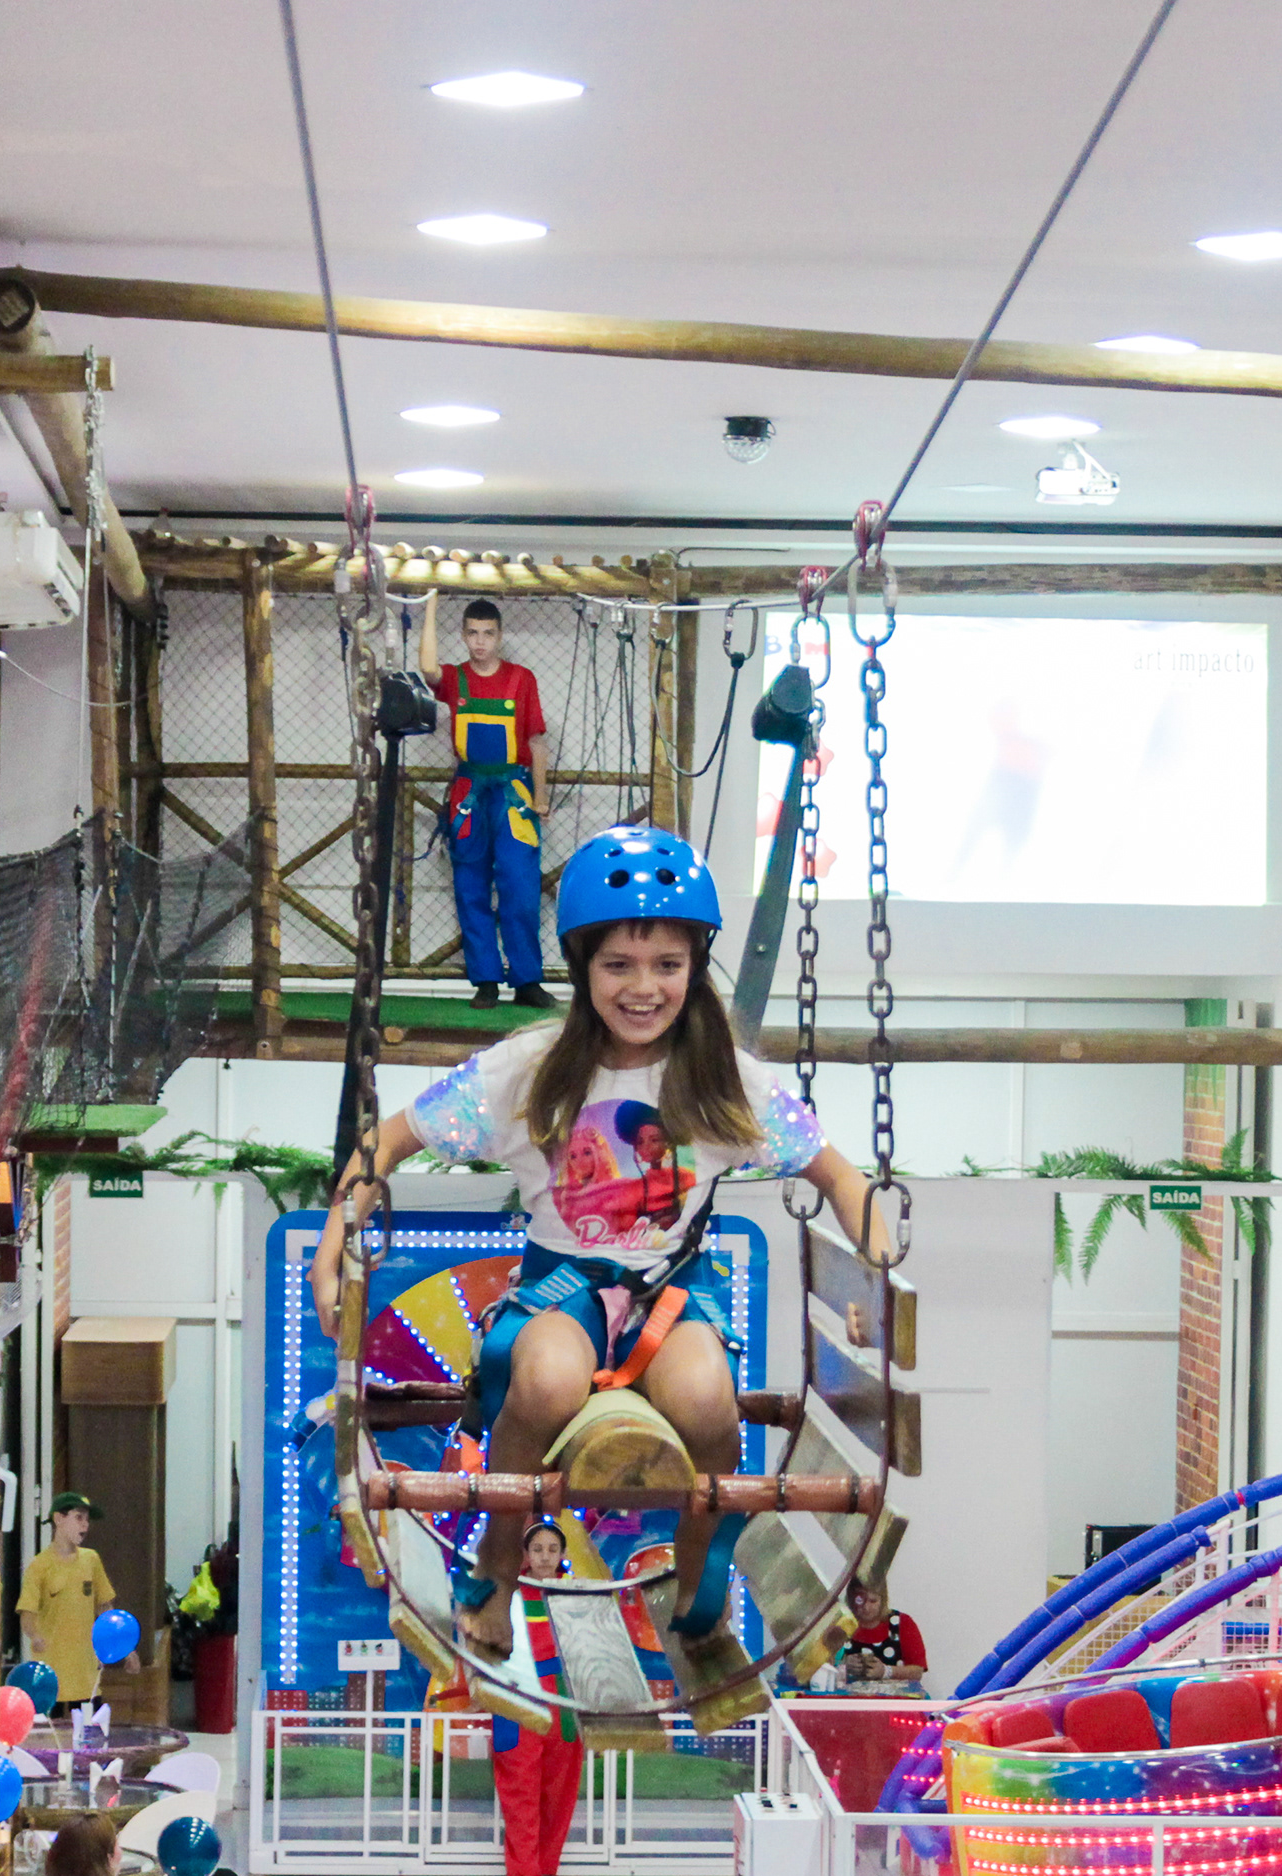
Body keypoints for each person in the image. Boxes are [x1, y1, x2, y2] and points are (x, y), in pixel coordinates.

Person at [315, 826, 885, 1659]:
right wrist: (335, 1243)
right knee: (544, 1381)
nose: (643, 987)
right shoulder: (531, 1069)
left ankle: (698, 1579)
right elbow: (389, 1142)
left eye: (666, 965)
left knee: (705, 1402)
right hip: (562, 1286)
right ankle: (499, 1566)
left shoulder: (726, 1077)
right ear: (583, 968)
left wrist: (869, 1275)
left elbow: (840, 1177)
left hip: (672, 1292)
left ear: (695, 967)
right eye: (618, 964)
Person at [429, 594, 553, 1006]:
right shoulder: (455, 678)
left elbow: (537, 742)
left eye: (488, 634)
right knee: (470, 886)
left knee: (520, 885)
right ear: (463, 636)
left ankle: (526, 981)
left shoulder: (522, 679)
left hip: (513, 794)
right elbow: (427, 667)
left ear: (500, 636)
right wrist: (429, 605)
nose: (480, 642)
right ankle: (484, 980)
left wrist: (541, 798)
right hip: (468, 793)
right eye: (472, 634)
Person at [493, 1518, 586, 1876]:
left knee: (559, 1788)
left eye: (552, 1549)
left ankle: (545, 1865)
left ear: (563, 1554)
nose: (545, 1557)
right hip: (518, 1700)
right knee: (519, 1789)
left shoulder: (577, 1596)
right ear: (525, 1555)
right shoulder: (506, 1596)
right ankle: (523, 1873)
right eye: (538, 1550)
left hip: (564, 1701)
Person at [18, 1494, 123, 1701]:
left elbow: (105, 1607)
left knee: (91, 1731)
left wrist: (124, 1647)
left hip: (86, 1674)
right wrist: (35, 1636)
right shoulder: (39, 1566)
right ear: (58, 1519)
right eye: (78, 1518)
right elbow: (27, 1613)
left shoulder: (91, 1560)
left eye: (87, 1520)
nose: (85, 1525)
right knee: (53, 1732)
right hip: (51, 1674)